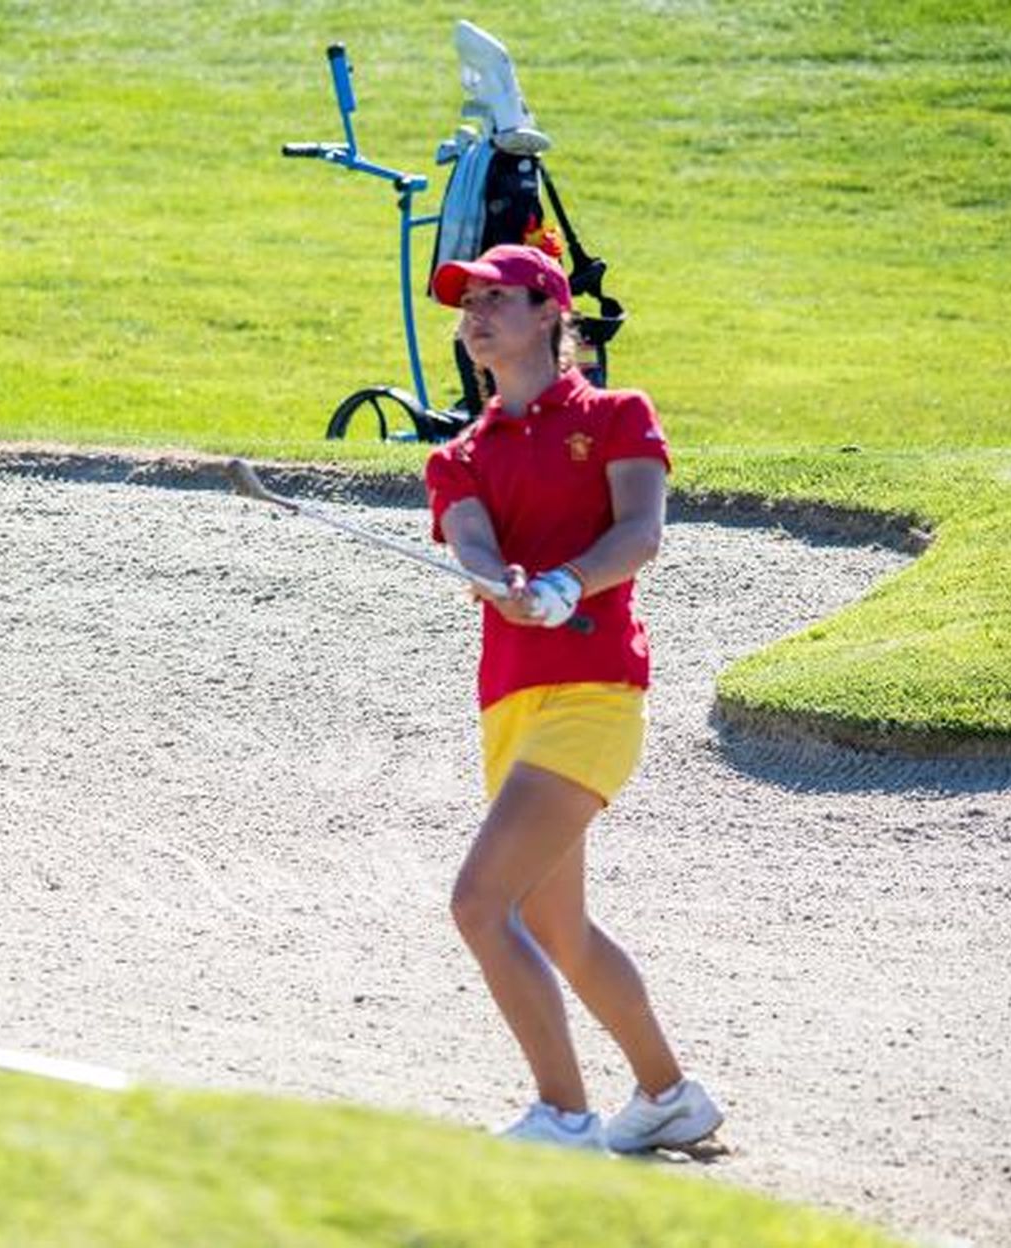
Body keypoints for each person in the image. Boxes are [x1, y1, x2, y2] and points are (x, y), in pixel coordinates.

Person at [424, 243, 722, 1153]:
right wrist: (498, 580)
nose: (474, 314)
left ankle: (563, 1114)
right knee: (557, 926)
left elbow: (639, 533)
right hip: (510, 706)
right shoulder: (459, 456)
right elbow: (472, 548)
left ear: (551, 311)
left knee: (479, 904)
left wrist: (566, 583)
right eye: (465, 302)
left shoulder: (618, 416)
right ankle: (669, 1097)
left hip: (594, 694)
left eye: (495, 298)